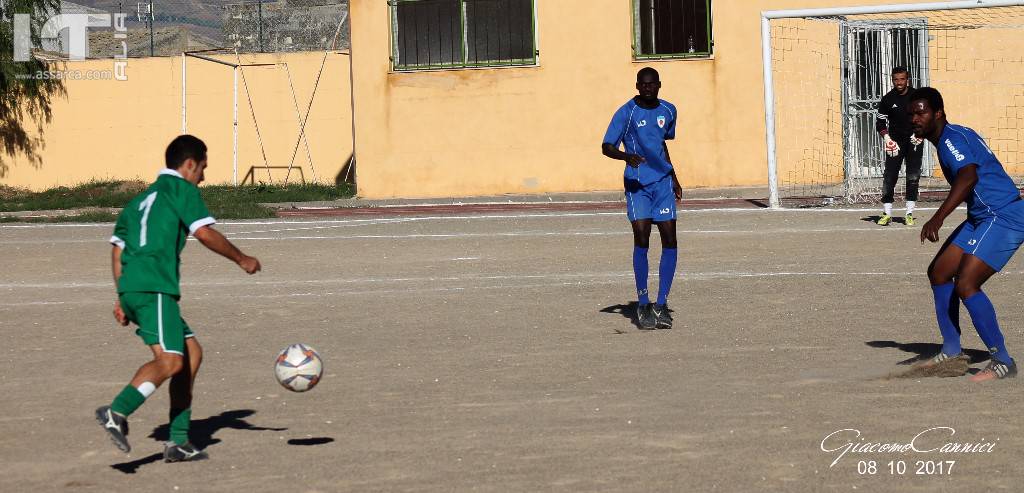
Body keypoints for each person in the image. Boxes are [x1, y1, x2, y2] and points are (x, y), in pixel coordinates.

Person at [96, 135, 262, 460]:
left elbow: (118, 251)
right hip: (155, 288)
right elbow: (203, 232)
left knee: (191, 354)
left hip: (135, 288)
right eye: (202, 168)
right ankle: (117, 412)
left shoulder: (138, 201)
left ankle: (178, 441)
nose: (203, 176)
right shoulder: (181, 190)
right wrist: (242, 258)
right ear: (189, 165)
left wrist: (123, 296)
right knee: (171, 361)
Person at [911, 87, 1021, 381]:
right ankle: (952, 350)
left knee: (967, 283)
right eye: (913, 113)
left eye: (921, 112)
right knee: (939, 272)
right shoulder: (954, 135)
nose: (916, 118)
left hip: (1003, 216)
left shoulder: (950, 140)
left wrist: (937, 218)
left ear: (938, 114)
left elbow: (968, 176)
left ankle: (1002, 360)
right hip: (981, 216)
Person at [601, 67, 682, 330]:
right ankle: (643, 304)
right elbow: (607, 146)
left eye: (652, 84)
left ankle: (661, 305)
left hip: (662, 184)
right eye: (643, 84)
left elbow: (661, 144)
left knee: (670, 240)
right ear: (637, 86)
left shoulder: (668, 111)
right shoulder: (627, 112)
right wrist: (626, 157)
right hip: (637, 184)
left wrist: (675, 178)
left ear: (659, 85)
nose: (648, 88)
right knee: (642, 238)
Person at [875, 66, 925, 226]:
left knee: (913, 177)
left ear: (907, 80)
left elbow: (926, 118)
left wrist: (920, 134)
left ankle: (909, 213)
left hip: (913, 141)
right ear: (892, 80)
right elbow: (880, 123)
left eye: (902, 79)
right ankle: (886, 213)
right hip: (895, 143)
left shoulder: (917, 97)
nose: (899, 82)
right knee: (889, 177)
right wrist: (887, 139)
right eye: (896, 79)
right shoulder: (888, 99)